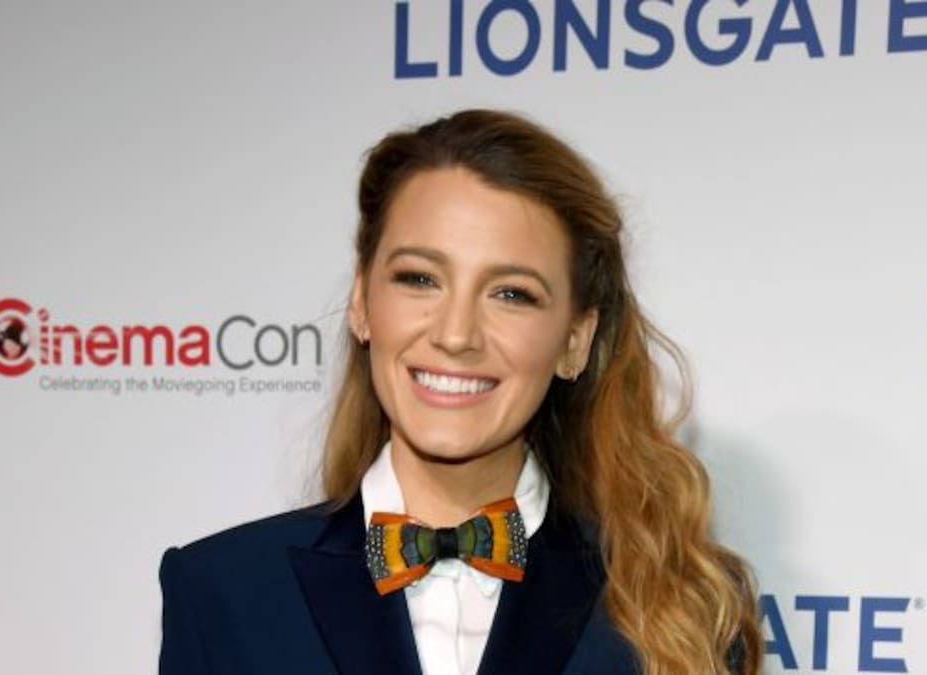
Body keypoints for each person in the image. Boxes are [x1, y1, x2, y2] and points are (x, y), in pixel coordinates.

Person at [158, 109, 762, 675]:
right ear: (362, 302)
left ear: (575, 340)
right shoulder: (221, 590)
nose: (455, 335)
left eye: (512, 294)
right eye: (420, 279)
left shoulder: (681, 601)